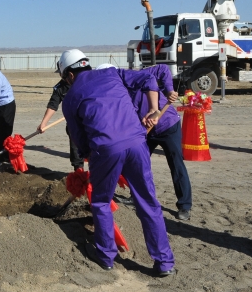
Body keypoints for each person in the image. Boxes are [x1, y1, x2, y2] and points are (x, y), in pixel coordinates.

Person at [60, 49, 175, 276]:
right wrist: (153, 108)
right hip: (137, 143)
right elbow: (149, 78)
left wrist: (88, 156)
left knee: (101, 201)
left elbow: (78, 137)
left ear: (70, 75)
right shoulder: (113, 73)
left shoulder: (71, 98)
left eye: (64, 78)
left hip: (106, 149)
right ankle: (164, 262)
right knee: (148, 202)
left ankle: (106, 256)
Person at [102, 63, 193, 221]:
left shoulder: (138, 76)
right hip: (146, 131)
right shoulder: (114, 95)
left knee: (176, 163)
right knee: (135, 164)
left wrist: (169, 90)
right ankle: (135, 196)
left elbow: (163, 69)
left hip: (168, 125)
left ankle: (184, 205)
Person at [37, 61, 84, 171]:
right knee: (75, 149)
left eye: (62, 72)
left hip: (89, 120)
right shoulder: (59, 88)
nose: (61, 75)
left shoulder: (84, 81)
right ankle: (79, 173)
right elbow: (53, 105)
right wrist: (44, 123)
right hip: (73, 123)